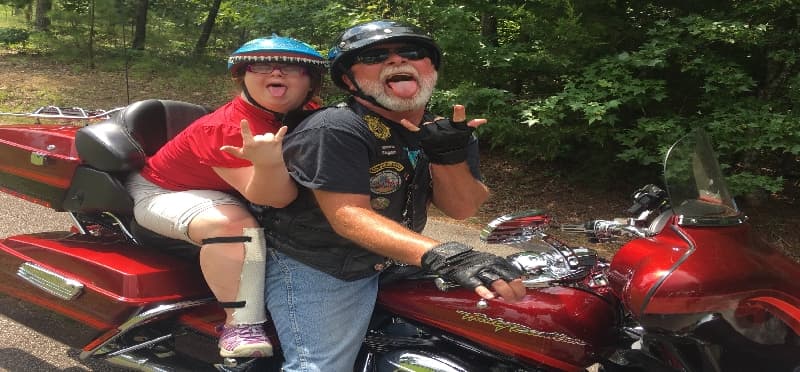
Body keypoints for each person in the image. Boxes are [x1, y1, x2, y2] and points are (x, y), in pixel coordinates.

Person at [251, 20, 527, 371]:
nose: (397, 60)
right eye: (375, 56)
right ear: (350, 80)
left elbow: (462, 207)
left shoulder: (444, 131)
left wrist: (450, 157)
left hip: (390, 259)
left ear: (431, 68)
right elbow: (348, 216)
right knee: (320, 367)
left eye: (413, 52)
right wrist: (445, 255)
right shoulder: (336, 127)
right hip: (322, 263)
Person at [124, 35, 326, 358]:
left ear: (310, 82)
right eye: (261, 65)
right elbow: (270, 196)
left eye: (291, 66)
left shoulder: (310, 114)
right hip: (164, 190)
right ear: (243, 75)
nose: (276, 72)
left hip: (222, 189)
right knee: (235, 226)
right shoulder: (228, 128)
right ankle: (240, 325)